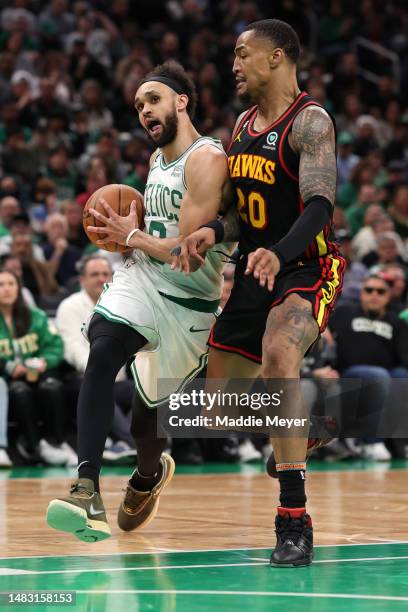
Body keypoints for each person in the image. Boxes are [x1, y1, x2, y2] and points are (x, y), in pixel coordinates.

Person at [173, 19, 346, 566]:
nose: (234, 65)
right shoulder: (243, 125)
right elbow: (239, 217)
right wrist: (212, 230)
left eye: (243, 54)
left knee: (279, 352)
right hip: (257, 267)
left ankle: (293, 520)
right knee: (211, 412)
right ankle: (302, 426)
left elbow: (319, 204)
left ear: (277, 58)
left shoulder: (311, 121)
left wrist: (282, 250)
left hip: (307, 264)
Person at [46, 60, 234, 542]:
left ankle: (148, 475)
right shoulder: (155, 162)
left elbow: (189, 255)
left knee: (147, 426)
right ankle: (86, 488)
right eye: (138, 106)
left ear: (181, 101)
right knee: (102, 349)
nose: (145, 111)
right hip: (143, 279)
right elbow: (157, 238)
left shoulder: (206, 158)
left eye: (153, 100)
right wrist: (130, 237)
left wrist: (131, 234)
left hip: (188, 303)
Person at [55, 253, 137, 461]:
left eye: (105, 274)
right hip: (80, 379)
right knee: (100, 388)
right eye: (94, 274)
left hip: (118, 380)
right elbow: (72, 349)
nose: (101, 279)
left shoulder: (122, 304)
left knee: (147, 391)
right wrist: (101, 370)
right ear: (82, 279)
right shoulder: (69, 306)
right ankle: (131, 442)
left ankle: (131, 442)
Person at [0, 270, 76, 465]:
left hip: (39, 373)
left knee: (52, 387)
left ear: (19, 288)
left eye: (10, 284)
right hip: (8, 379)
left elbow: (55, 345)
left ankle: (57, 442)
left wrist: (44, 361)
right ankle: (35, 446)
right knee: (20, 391)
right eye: (1, 285)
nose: (6, 289)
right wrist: (9, 367)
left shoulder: (36, 316)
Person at [329, 274, 408, 461]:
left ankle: (401, 443)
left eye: (380, 291)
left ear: (388, 297)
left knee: (403, 376)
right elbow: (324, 333)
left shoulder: (396, 322)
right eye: (369, 290)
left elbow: (403, 356)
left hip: (385, 375)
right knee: (379, 375)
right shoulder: (344, 313)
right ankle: (373, 442)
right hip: (349, 373)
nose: (374, 295)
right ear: (361, 294)